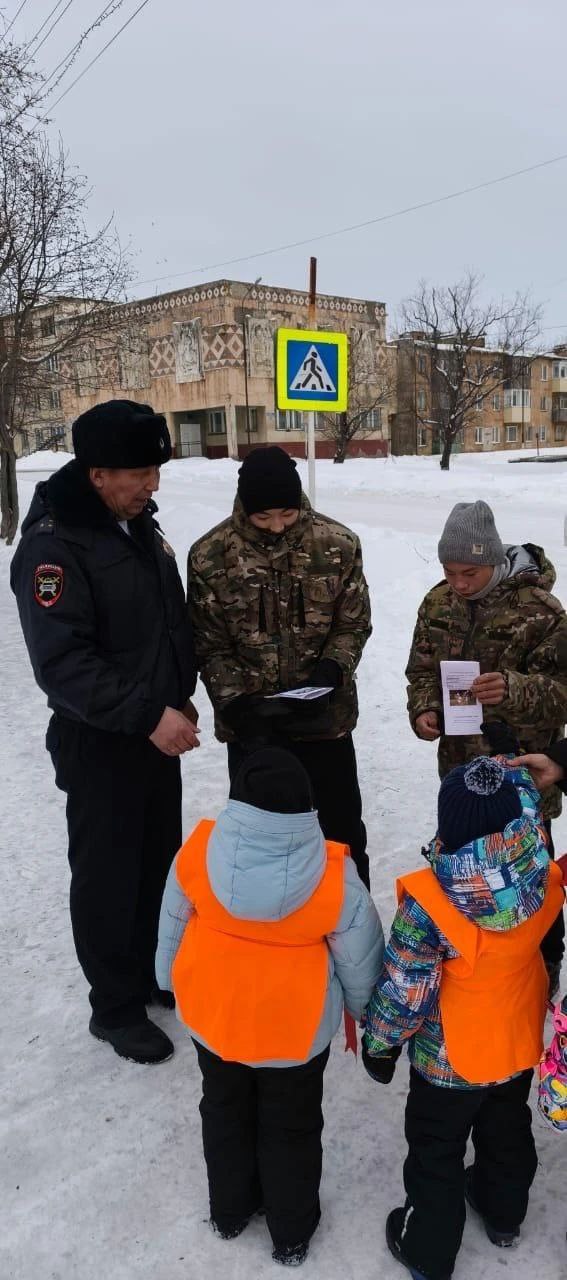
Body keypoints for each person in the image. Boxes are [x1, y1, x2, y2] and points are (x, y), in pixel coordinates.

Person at [11, 399, 199, 1065]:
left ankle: (150, 972)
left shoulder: (137, 527)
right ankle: (113, 1008)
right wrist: (151, 714)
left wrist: (180, 696)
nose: (153, 484)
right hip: (103, 742)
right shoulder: (53, 548)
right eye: (140, 471)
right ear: (96, 473)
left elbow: (162, 624)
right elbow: (63, 664)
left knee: (157, 864)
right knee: (107, 877)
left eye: (155, 470)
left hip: (154, 736)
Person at [155, 747, 383, 1266]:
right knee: (292, 1128)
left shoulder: (198, 849)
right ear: (307, 809)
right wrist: (368, 1014)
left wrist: (168, 979)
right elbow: (360, 959)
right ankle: (291, 1230)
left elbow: (172, 920)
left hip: (214, 1019)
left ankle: (230, 1210)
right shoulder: (334, 876)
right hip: (294, 1036)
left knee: (224, 1111)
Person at [362, 754, 565, 1280]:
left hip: (448, 1062)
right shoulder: (540, 872)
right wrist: (511, 771)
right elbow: (526, 818)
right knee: (506, 1130)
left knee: (436, 1151)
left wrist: (380, 1043)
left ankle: (427, 1250)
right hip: (516, 1042)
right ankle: (503, 1214)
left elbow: (406, 989)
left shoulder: (431, 904)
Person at [187, 445, 372, 887]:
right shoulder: (210, 555)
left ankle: (353, 941)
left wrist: (332, 669)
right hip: (254, 730)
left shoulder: (337, 544)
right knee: (263, 847)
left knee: (341, 839)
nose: (276, 527)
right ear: (245, 508)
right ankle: (274, 945)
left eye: (287, 515)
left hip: (325, 723)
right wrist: (238, 706)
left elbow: (354, 622)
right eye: (263, 517)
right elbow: (208, 643)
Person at [406, 498, 567, 988]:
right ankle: (471, 958)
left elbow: (563, 693)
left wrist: (514, 689)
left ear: (494, 561)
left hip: (523, 774)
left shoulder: (542, 612)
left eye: (469, 572)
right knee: (462, 873)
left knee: (531, 877)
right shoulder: (438, 603)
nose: (458, 583)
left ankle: (545, 959)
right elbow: (419, 672)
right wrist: (424, 709)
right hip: (459, 773)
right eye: (449, 571)